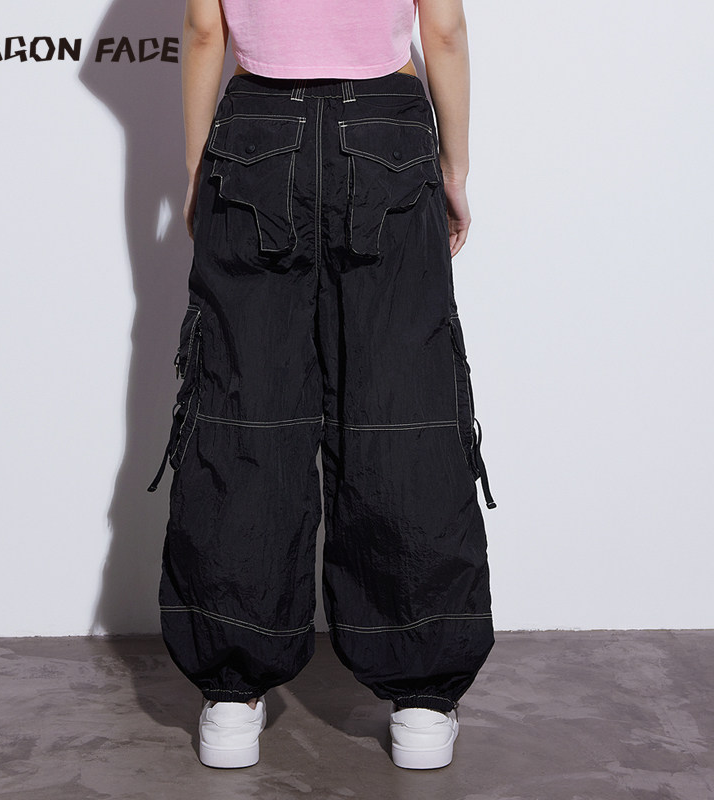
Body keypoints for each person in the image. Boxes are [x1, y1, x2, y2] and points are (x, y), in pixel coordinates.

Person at [147, 0, 497, 771]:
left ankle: (232, 696)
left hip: (256, 132)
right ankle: (421, 702)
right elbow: (443, 29)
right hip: (387, 130)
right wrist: (455, 170)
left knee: (244, 407)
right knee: (402, 409)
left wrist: (199, 169)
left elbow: (205, 30)